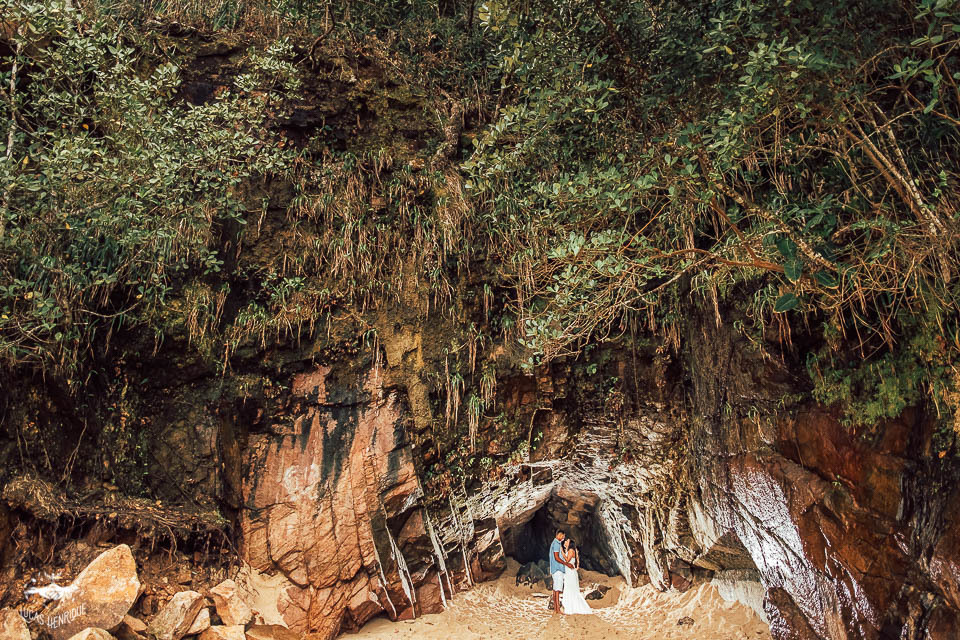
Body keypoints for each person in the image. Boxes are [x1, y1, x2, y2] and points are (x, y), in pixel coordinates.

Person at [560, 538, 594, 615]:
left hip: (570, 574)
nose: (565, 542)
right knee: (569, 589)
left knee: (571, 590)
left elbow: (567, 560)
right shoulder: (569, 550)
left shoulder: (571, 550)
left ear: (570, 544)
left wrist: (562, 552)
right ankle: (569, 607)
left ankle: (573, 608)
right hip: (569, 572)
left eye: (567, 541)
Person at [548, 529, 572, 614]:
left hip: (556, 569)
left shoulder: (555, 543)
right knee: (557, 590)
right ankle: (557, 609)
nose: (563, 538)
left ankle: (556, 609)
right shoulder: (556, 544)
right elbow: (556, 558)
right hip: (557, 569)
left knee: (555, 589)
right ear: (559, 535)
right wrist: (566, 564)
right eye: (563, 536)